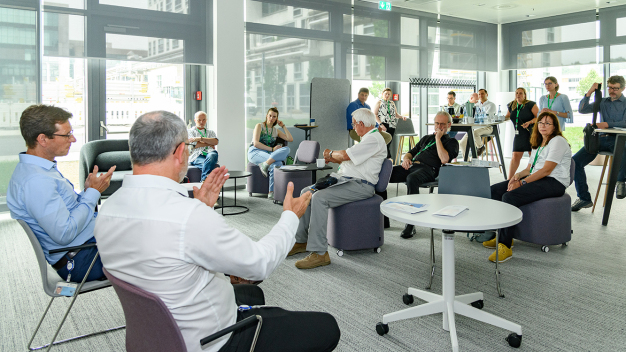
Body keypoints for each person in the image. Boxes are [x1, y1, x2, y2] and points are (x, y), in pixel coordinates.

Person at [94, 111, 340, 352]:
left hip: (155, 336)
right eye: (188, 149)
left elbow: (163, 249)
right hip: (215, 339)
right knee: (328, 327)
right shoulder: (186, 217)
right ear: (180, 152)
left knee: (252, 293)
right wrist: (290, 217)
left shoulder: (107, 211)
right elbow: (258, 264)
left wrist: (201, 208)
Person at [7, 105, 115, 283]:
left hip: (87, 246)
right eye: (66, 135)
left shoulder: (40, 170)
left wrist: (88, 191)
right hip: (83, 258)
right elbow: (64, 233)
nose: (72, 139)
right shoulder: (36, 181)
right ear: (43, 139)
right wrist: (94, 193)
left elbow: (67, 211)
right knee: (156, 246)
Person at [288, 108, 387, 269]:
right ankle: (301, 241)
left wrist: (331, 153)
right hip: (346, 179)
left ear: (362, 124)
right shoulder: (366, 139)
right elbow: (351, 160)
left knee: (319, 198)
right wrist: (334, 159)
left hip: (361, 185)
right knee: (306, 192)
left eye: (354, 124)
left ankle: (320, 253)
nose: (354, 127)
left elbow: (346, 155)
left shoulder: (374, 139)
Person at [487, 112, 572, 262]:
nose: (543, 126)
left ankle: (505, 245)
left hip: (554, 181)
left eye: (547, 123)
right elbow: (529, 169)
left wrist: (522, 183)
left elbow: (546, 170)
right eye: (540, 123)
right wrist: (517, 176)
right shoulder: (538, 142)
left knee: (509, 196)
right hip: (539, 178)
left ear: (554, 127)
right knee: (495, 190)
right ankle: (504, 235)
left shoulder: (558, 141)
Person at [389, 111, 459, 239]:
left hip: (429, 170)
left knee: (411, 179)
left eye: (442, 124)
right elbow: (410, 153)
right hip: (412, 166)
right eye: (437, 123)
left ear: (449, 125)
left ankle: (411, 223)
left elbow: (444, 159)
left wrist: (438, 138)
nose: (439, 127)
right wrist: (406, 159)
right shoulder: (426, 138)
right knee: (386, 174)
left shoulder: (452, 142)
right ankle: (382, 219)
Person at [572, 76, 626, 210]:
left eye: (615, 88)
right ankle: (584, 198)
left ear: (623, 88)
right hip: (600, 139)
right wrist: (589, 92)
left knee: (624, 150)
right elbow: (582, 110)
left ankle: (621, 182)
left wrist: (607, 124)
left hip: (619, 139)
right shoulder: (602, 101)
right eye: (610, 88)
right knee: (575, 162)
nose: (612, 91)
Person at [248, 107, 293, 199]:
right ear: (266, 116)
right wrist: (272, 149)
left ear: (276, 118)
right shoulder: (259, 126)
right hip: (255, 152)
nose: (271, 118)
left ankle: (265, 164)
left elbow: (290, 139)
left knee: (287, 149)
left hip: (268, 154)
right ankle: (271, 191)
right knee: (278, 163)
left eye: (274, 117)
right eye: (270, 116)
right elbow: (256, 143)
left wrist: (283, 126)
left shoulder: (276, 130)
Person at [505, 87, 539, 180]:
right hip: (519, 134)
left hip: (531, 133)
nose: (518, 95)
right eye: (517, 93)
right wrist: (498, 118)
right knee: (515, 156)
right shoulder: (511, 105)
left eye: (520, 93)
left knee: (532, 156)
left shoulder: (531, 104)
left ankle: (534, 177)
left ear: (525, 95)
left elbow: (539, 117)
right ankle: (509, 179)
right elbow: (508, 116)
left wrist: (530, 122)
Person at [459, 89, 496, 157]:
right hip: (475, 128)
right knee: (462, 143)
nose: (481, 95)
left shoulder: (491, 105)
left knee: (475, 133)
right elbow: (471, 116)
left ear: (486, 95)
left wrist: (477, 116)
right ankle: (467, 163)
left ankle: (480, 147)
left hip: (487, 127)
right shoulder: (475, 105)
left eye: (482, 94)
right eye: (479, 94)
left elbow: (486, 117)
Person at [374, 87, 408, 158]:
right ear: (382, 94)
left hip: (392, 125)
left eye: (388, 94)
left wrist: (402, 117)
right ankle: (388, 158)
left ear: (390, 95)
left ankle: (387, 160)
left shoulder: (392, 103)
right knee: (383, 144)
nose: (387, 95)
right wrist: (381, 124)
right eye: (386, 94)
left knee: (388, 144)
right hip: (383, 125)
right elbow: (375, 115)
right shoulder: (379, 102)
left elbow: (396, 114)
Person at [188, 111, 219, 182]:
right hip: (196, 155)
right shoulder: (190, 131)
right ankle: (205, 181)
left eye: (204, 119)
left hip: (210, 152)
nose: (201, 122)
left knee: (212, 155)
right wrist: (209, 143)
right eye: (199, 120)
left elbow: (216, 142)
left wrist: (200, 139)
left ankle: (204, 181)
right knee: (209, 166)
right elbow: (195, 145)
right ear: (195, 120)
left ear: (206, 120)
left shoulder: (210, 132)